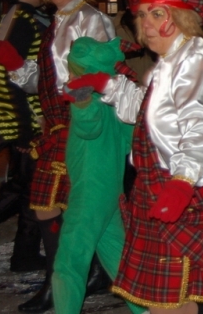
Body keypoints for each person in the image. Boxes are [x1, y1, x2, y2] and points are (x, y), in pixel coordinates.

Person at [80, 0, 203, 314]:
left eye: (157, 13)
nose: (145, 23)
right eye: (142, 14)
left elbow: (201, 130)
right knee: (174, 299)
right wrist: (107, 87)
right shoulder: (169, 61)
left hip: (178, 188)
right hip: (157, 185)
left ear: (182, 16)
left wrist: (182, 183)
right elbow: (144, 111)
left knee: (169, 302)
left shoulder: (195, 60)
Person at [4, 0, 117, 313]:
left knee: (55, 208)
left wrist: (83, 108)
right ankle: (98, 275)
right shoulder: (57, 21)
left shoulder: (91, 19)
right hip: (57, 124)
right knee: (77, 212)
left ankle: (63, 284)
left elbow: (102, 75)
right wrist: (17, 66)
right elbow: (44, 84)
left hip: (82, 124)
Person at [52, 38, 143, 314]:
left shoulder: (91, 95)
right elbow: (129, 139)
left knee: (70, 258)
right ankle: (145, 308)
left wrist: (81, 102)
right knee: (117, 255)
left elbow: (89, 127)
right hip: (110, 189)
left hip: (89, 191)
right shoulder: (116, 96)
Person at [0, 0, 49, 273]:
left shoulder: (10, 18)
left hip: (20, 119)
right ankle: (24, 254)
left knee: (25, 189)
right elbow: (14, 77)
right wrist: (27, 129)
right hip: (27, 121)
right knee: (28, 190)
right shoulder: (25, 20)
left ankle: (24, 254)